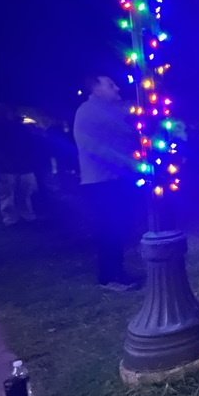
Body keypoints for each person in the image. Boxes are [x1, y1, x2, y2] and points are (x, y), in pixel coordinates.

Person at [74, 75, 140, 290]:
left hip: (114, 179)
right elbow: (94, 148)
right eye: (110, 85)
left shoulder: (108, 111)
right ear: (96, 89)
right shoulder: (87, 112)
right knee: (109, 227)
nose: (117, 88)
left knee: (119, 226)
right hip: (101, 181)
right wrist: (127, 162)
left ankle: (117, 271)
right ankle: (108, 276)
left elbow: (126, 135)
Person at [0, 103, 39, 225]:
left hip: (7, 166)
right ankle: (24, 216)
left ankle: (12, 218)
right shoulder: (18, 127)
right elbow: (30, 144)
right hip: (17, 166)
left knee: (8, 195)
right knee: (20, 194)